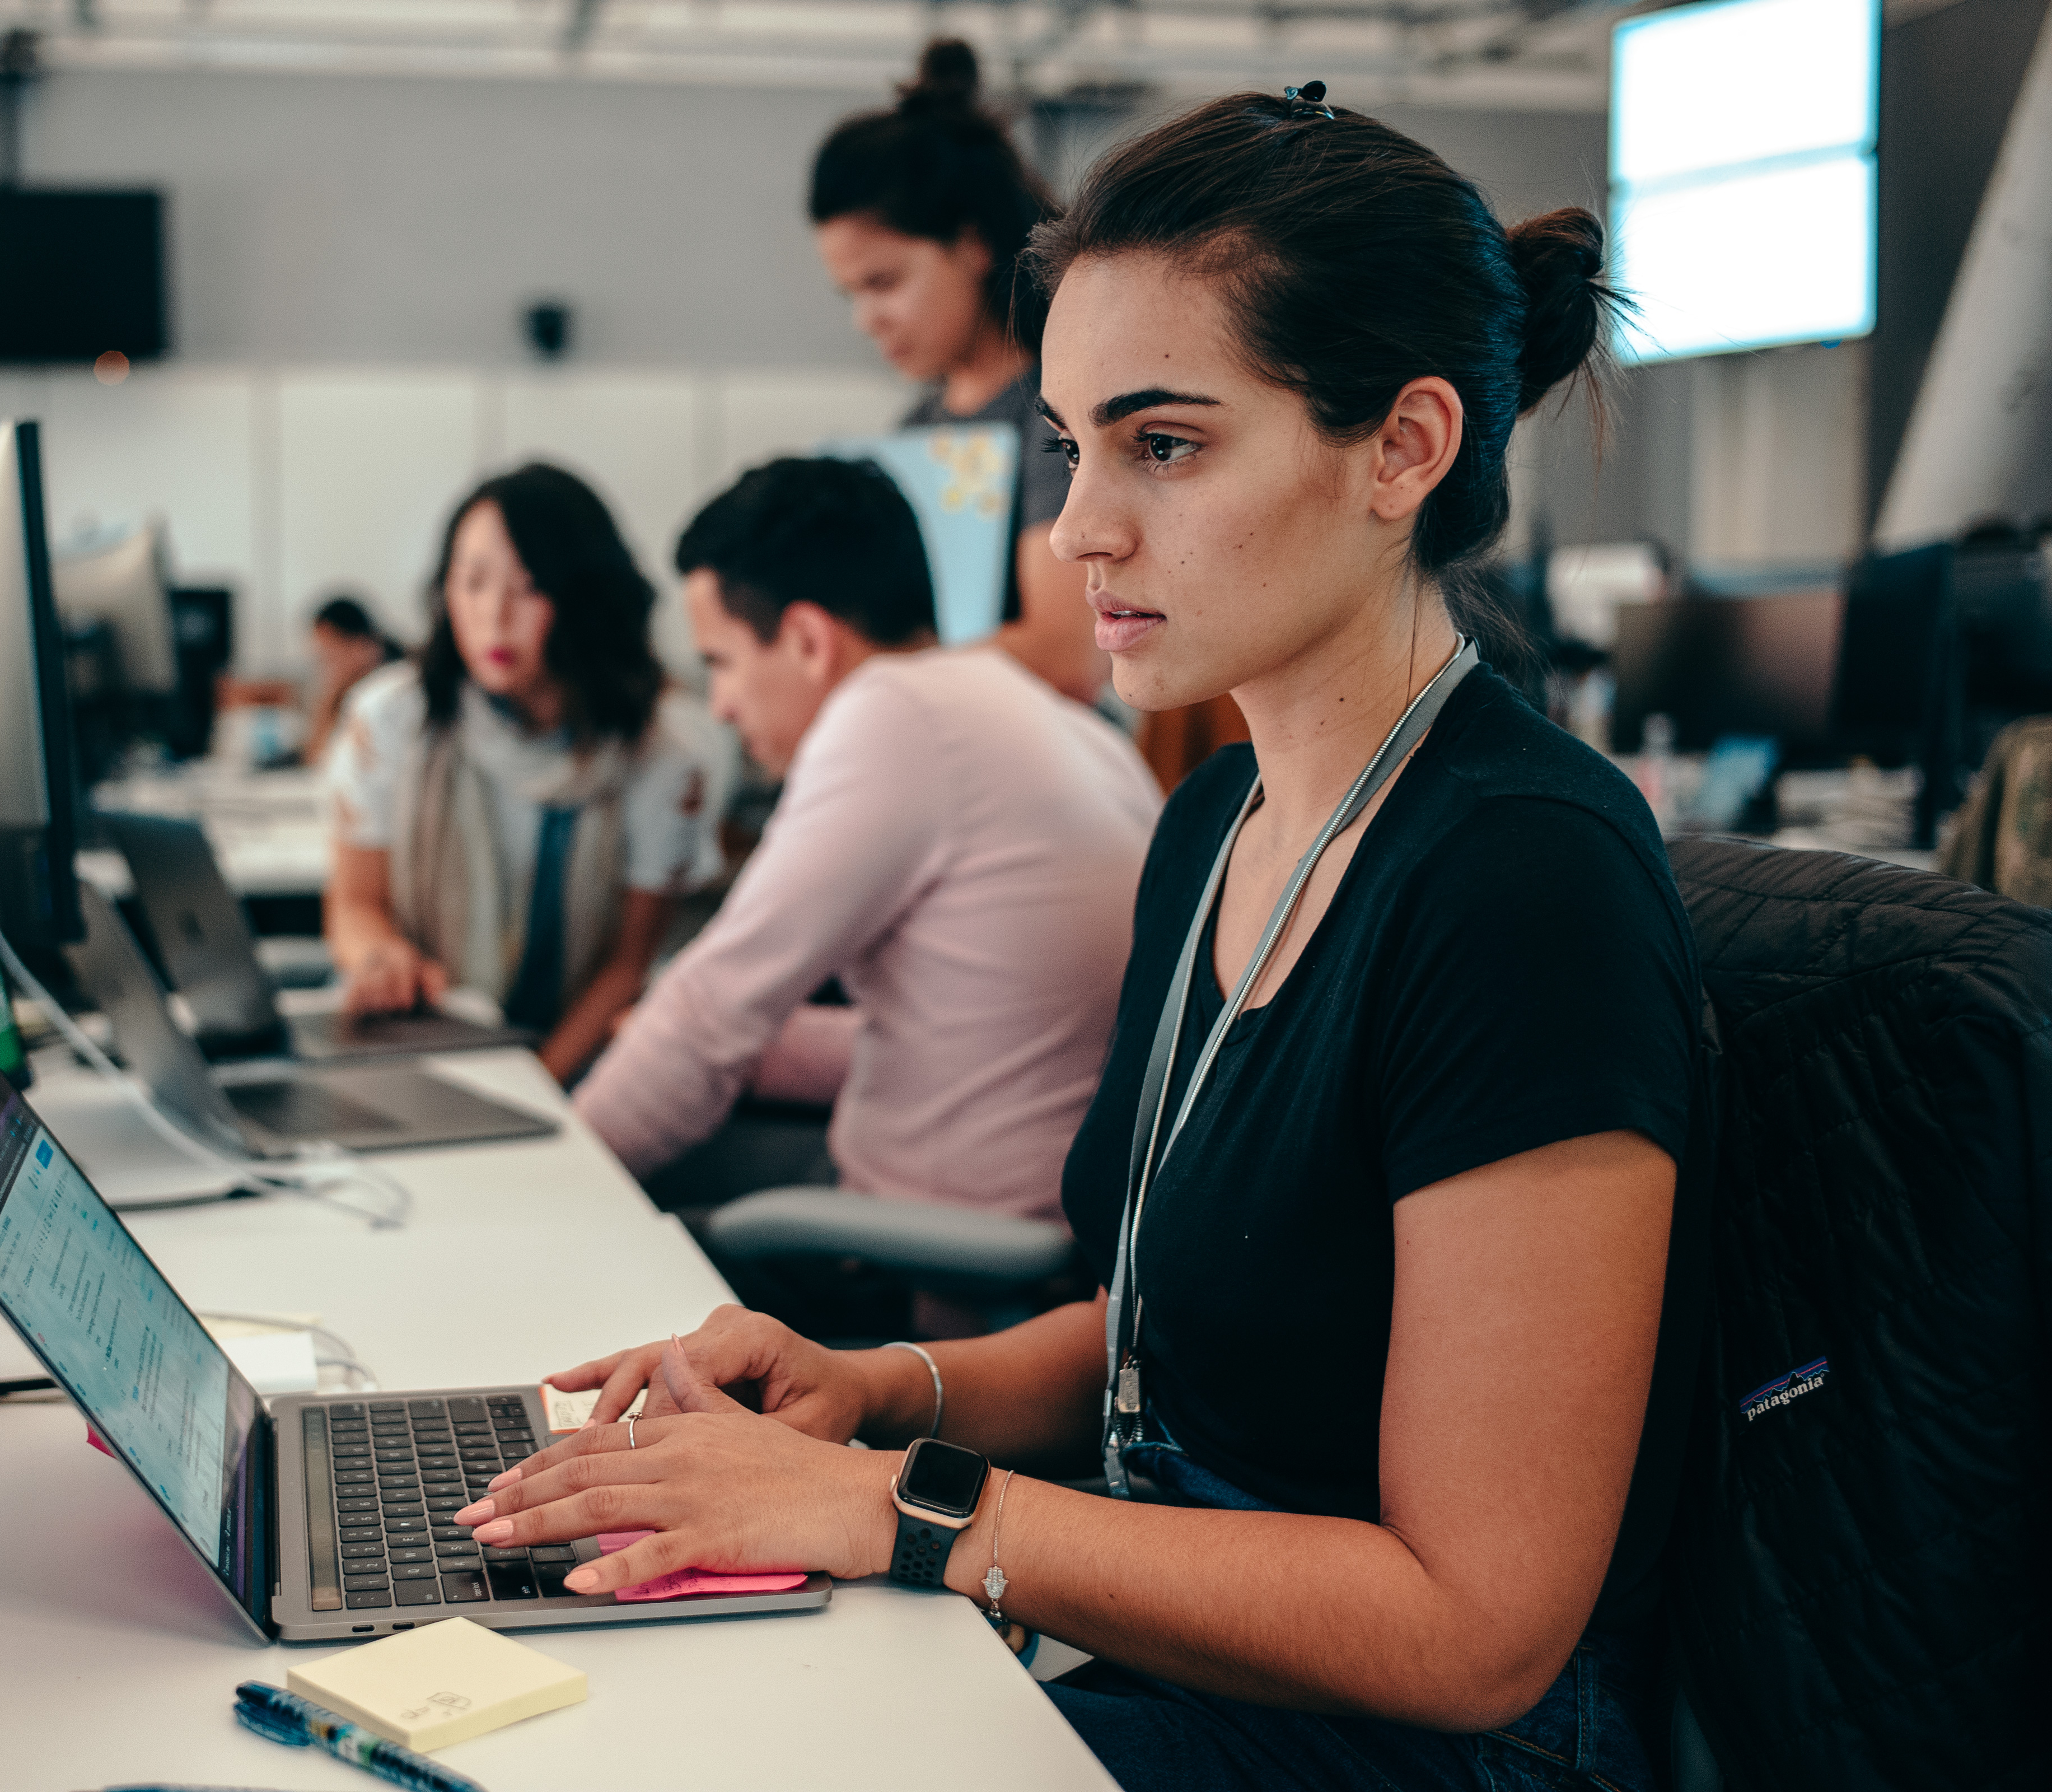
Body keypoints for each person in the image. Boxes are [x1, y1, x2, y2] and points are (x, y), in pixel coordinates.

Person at [456, 91, 1708, 1792]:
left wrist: (900, 1507)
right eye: (1067, 449)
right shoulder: (1215, 824)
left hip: (1409, 1748)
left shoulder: (1524, 878)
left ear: (1401, 450)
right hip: (1163, 1646)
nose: (1076, 529)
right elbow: (1158, 1340)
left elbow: (1473, 1629)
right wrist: (878, 1387)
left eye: (1162, 445)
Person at [574, 456, 1157, 1241]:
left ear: (808, 640)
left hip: (927, 1253)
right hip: (1056, 1230)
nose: (720, 707)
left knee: (601, 1213)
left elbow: (708, 1017)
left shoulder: (893, 714)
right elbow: (984, 1039)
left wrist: (536, 1189)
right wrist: (771, 1046)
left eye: (722, 663)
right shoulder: (1059, 722)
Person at [321, 463, 722, 1085]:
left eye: (530, 587)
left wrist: (537, 1084)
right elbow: (355, 903)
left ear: (585, 596)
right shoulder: (394, 718)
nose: (494, 615)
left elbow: (625, 967)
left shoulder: (659, 757)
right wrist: (380, 957)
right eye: (473, 582)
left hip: (574, 1062)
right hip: (410, 1049)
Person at [809, 40, 1101, 706]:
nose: (867, 320)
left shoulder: (1055, 412)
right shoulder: (917, 427)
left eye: (884, 283)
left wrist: (870, 675)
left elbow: (1066, 654)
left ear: (972, 244)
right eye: (850, 294)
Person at [300, 592, 400, 764]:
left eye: (329, 654)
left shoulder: (390, 691)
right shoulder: (346, 689)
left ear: (362, 646)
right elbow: (314, 754)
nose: (325, 666)